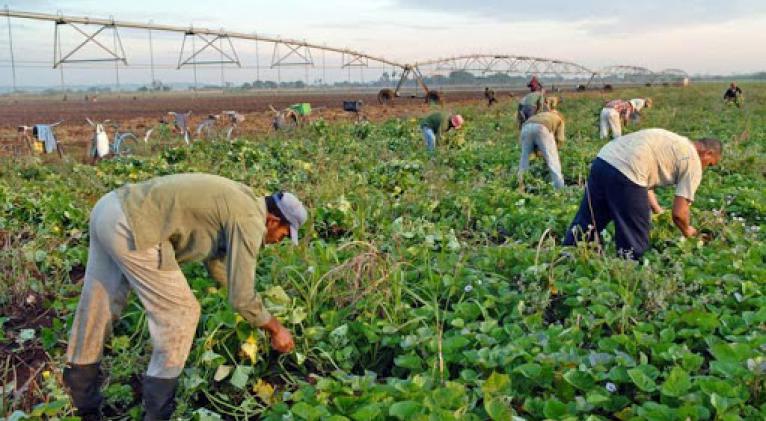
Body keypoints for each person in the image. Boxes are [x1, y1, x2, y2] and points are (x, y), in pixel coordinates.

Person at [63, 173, 308, 420]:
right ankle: (157, 414)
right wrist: (276, 328)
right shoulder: (251, 220)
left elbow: (219, 267)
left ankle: (82, 403)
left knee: (100, 305)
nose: (279, 241)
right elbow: (242, 297)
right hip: (135, 224)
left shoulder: (242, 198)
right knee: (182, 314)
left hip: (110, 208)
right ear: (274, 220)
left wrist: (253, 311)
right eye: (285, 234)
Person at [563, 129, 722, 259]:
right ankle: (627, 273)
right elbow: (679, 214)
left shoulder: (676, 141)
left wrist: (657, 209)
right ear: (707, 153)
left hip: (604, 161)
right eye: (710, 164)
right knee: (634, 236)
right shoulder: (693, 160)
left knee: (588, 220)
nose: (706, 168)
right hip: (629, 172)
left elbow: (645, 180)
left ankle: (565, 260)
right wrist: (687, 230)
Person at [517, 110, 566, 190]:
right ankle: (560, 188)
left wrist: (538, 151)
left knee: (524, 160)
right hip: (542, 128)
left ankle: (521, 185)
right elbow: (560, 139)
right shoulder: (560, 119)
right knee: (553, 161)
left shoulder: (540, 115)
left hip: (525, 127)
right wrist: (554, 150)